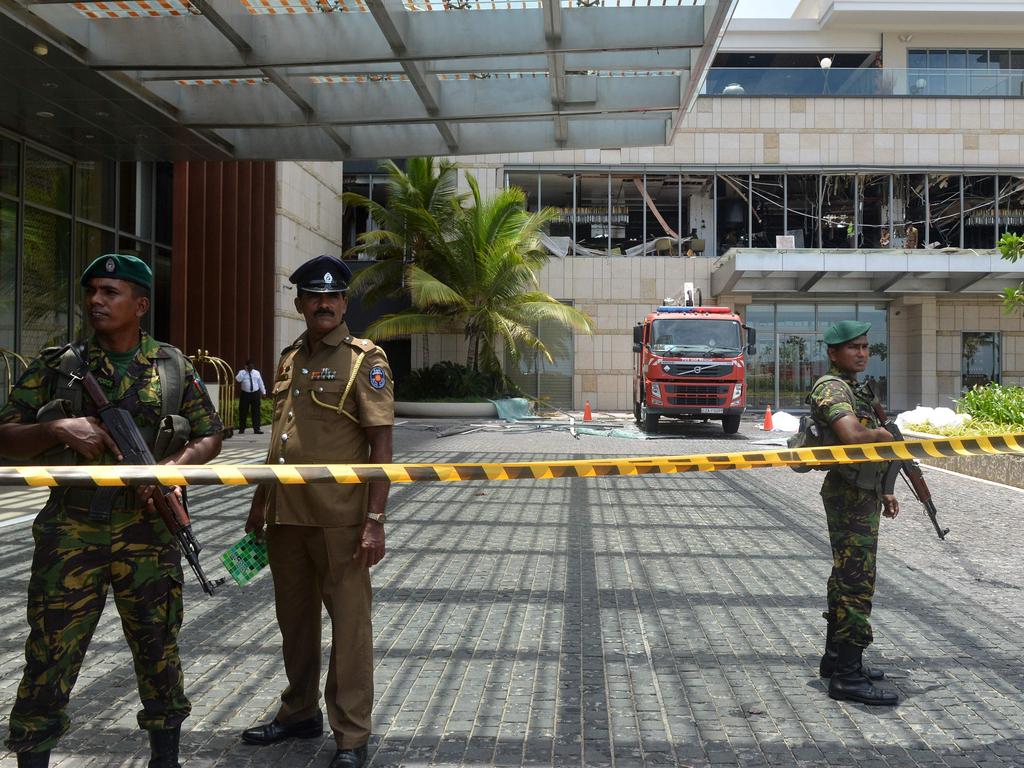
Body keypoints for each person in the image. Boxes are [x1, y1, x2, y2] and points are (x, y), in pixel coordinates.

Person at [0, 254, 223, 768]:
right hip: (71, 530)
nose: (96, 300)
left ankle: (164, 759)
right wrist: (54, 430)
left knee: (158, 650)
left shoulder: (171, 365)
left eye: (111, 292)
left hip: (148, 532)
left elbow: (210, 432)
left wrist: (172, 468)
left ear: (140, 305)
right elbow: (6, 435)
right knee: (50, 654)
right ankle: (33, 756)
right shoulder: (60, 365)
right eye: (93, 291)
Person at [241, 255, 394, 768]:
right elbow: (279, 441)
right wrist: (260, 502)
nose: (323, 304)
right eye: (313, 296)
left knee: (350, 629)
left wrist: (375, 521)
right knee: (295, 624)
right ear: (300, 303)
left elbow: (381, 444)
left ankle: (351, 736)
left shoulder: (364, 360)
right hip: (286, 517)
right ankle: (298, 712)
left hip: (340, 521)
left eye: (333, 297)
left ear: (345, 303)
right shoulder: (289, 359)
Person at [809, 320, 900, 706]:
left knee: (846, 576)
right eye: (853, 347)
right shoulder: (832, 388)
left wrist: (886, 488)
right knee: (856, 582)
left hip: (863, 492)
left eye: (865, 346)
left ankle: (835, 660)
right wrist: (882, 437)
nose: (862, 353)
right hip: (849, 495)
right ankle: (847, 677)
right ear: (833, 353)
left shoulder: (857, 387)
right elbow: (854, 438)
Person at [235, 359, 267, 434]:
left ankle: (257, 429)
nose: (251, 366)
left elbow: (260, 383)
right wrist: (245, 372)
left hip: (255, 393)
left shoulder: (256, 373)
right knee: (243, 411)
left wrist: (264, 392)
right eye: (249, 365)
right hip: (245, 394)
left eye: (252, 365)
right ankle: (242, 428)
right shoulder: (242, 372)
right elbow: (238, 379)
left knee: (256, 412)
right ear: (246, 366)